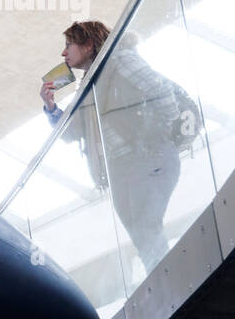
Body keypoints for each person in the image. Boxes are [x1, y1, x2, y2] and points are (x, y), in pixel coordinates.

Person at [39, 21, 181, 274]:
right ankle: (161, 276)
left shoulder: (120, 60)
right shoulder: (88, 84)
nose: (63, 53)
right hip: (119, 169)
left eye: (69, 45)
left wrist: (155, 137)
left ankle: (166, 279)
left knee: (146, 227)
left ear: (89, 44)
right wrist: (50, 108)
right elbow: (73, 132)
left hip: (146, 158)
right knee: (140, 233)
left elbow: (161, 92)